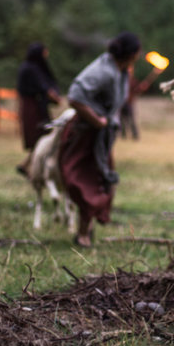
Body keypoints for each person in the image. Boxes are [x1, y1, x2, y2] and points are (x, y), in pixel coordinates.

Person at [60, 32, 141, 248]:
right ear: (133, 54)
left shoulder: (121, 71)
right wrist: (97, 121)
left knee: (102, 181)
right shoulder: (103, 71)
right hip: (85, 133)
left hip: (101, 137)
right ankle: (82, 234)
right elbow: (75, 96)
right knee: (88, 181)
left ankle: (85, 227)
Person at [17, 43, 62, 151]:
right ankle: (30, 165)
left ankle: (27, 165)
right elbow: (45, 88)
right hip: (33, 108)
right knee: (39, 136)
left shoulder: (26, 66)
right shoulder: (33, 68)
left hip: (30, 106)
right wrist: (57, 99)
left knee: (38, 137)